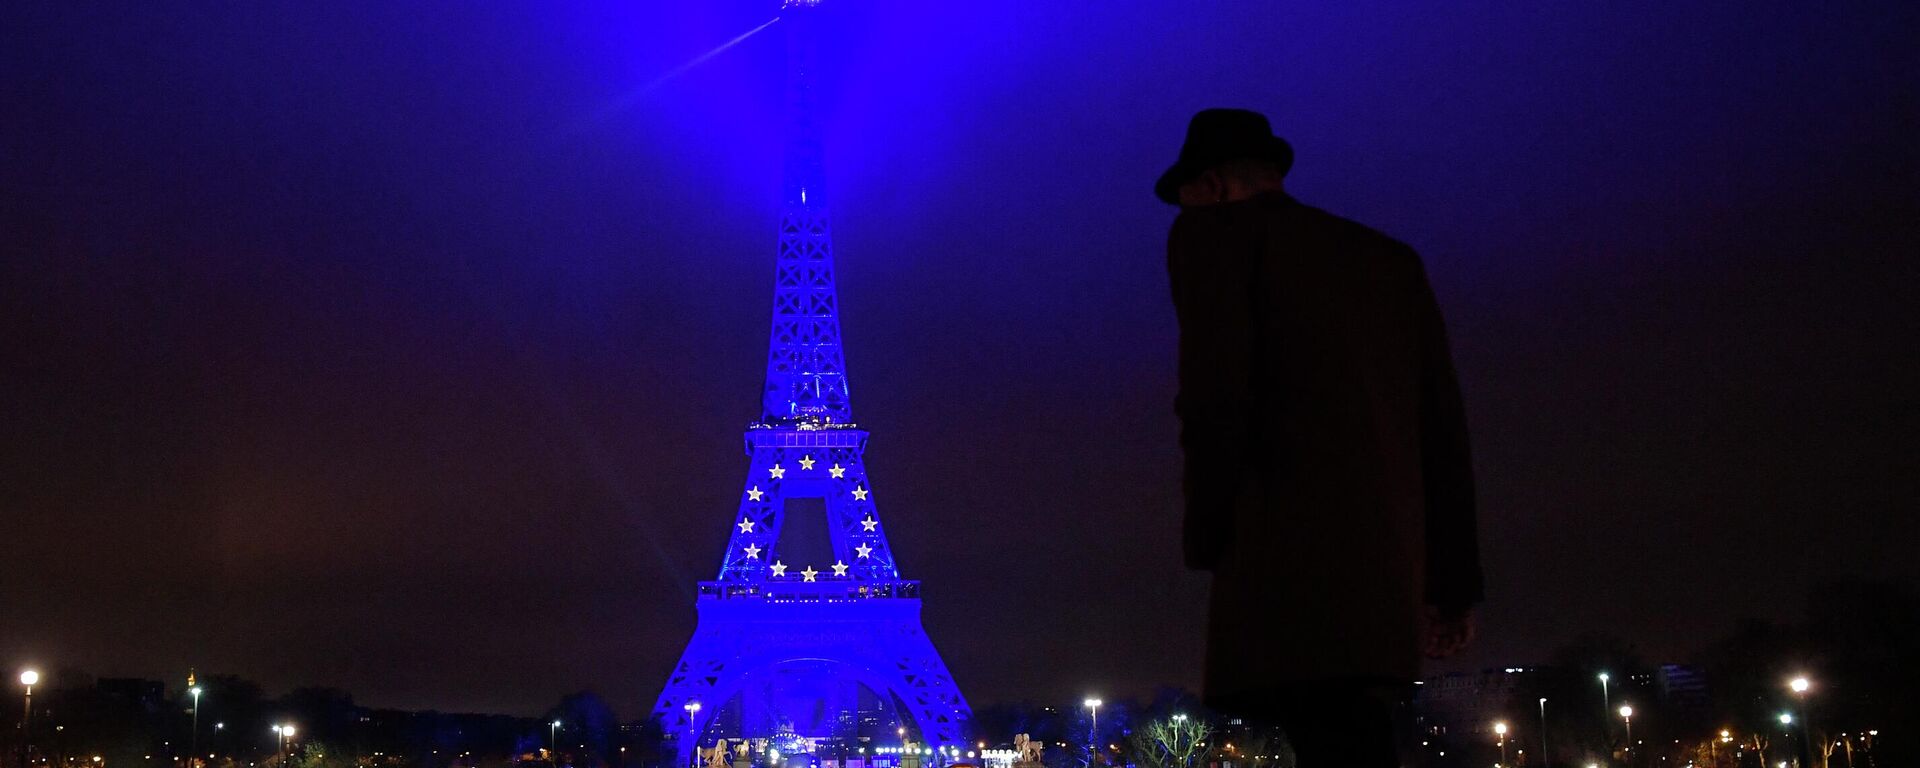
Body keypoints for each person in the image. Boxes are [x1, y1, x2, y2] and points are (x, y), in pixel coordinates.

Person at [1158, 108, 1483, 767]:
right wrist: (1452, 585)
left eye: (1189, 198)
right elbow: (1442, 432)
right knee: (1354, 736)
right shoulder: (1390, 261)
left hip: (1282, 550)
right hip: (1383, 567)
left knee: (1324, 730)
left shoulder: (1216, 240)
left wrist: (1208, 534)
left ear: (1216, 186)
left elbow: (1214, 395)